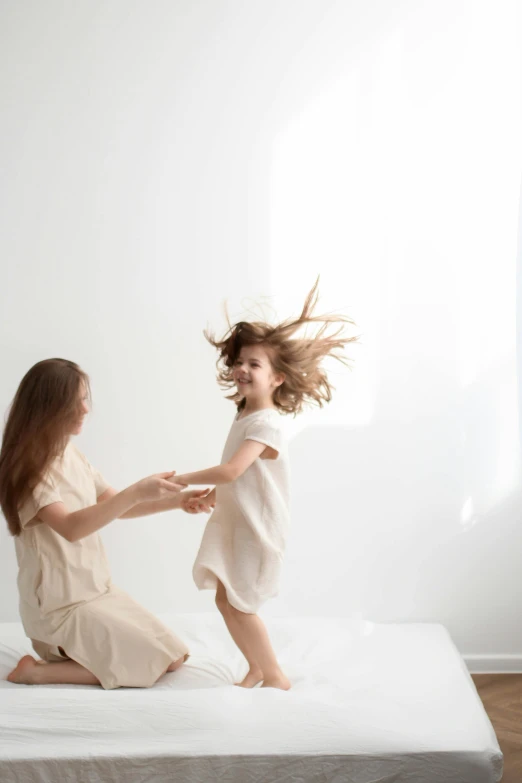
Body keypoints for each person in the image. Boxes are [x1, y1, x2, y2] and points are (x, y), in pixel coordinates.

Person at [178, 280, 358, 689]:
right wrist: (213, 495)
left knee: (240, 605)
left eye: (254, 365)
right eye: (240, 362)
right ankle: (256, 666)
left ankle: (275, 675)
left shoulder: (266, 423)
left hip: (258, 532)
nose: (242, 369)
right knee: (226, 600)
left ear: (277, 378)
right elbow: (238, 478)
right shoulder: (245, 416)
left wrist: (186, 479)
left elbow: (231, 471)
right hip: (239, 522)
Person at [0, 358, 212, 688]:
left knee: (171, 657)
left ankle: (68, 661)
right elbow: (71, 527)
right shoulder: (29, 470)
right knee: (148, 663)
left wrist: (179, 501)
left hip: (97, 592)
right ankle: (36, 672)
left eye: (86, 399)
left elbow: (117, 507)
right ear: (50, 406)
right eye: (77, 401)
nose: (86, 409)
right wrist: (137, 490)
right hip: (60, 610)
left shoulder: (68, 453)